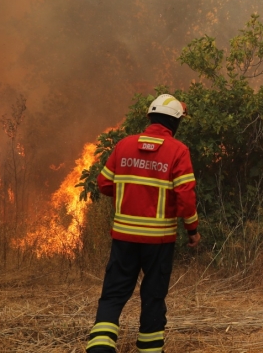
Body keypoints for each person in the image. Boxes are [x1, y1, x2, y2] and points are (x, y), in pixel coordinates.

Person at [86, 94, 201, 353]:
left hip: (123, 237)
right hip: (159, 240)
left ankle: (100, 347)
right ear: (175, 122)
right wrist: (192, 230)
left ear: (150, 117)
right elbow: (185, 197)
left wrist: (131, 194)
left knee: (114, 292)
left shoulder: (124, 145)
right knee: (153, 295)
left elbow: (104, 184)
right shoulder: (178, 151)